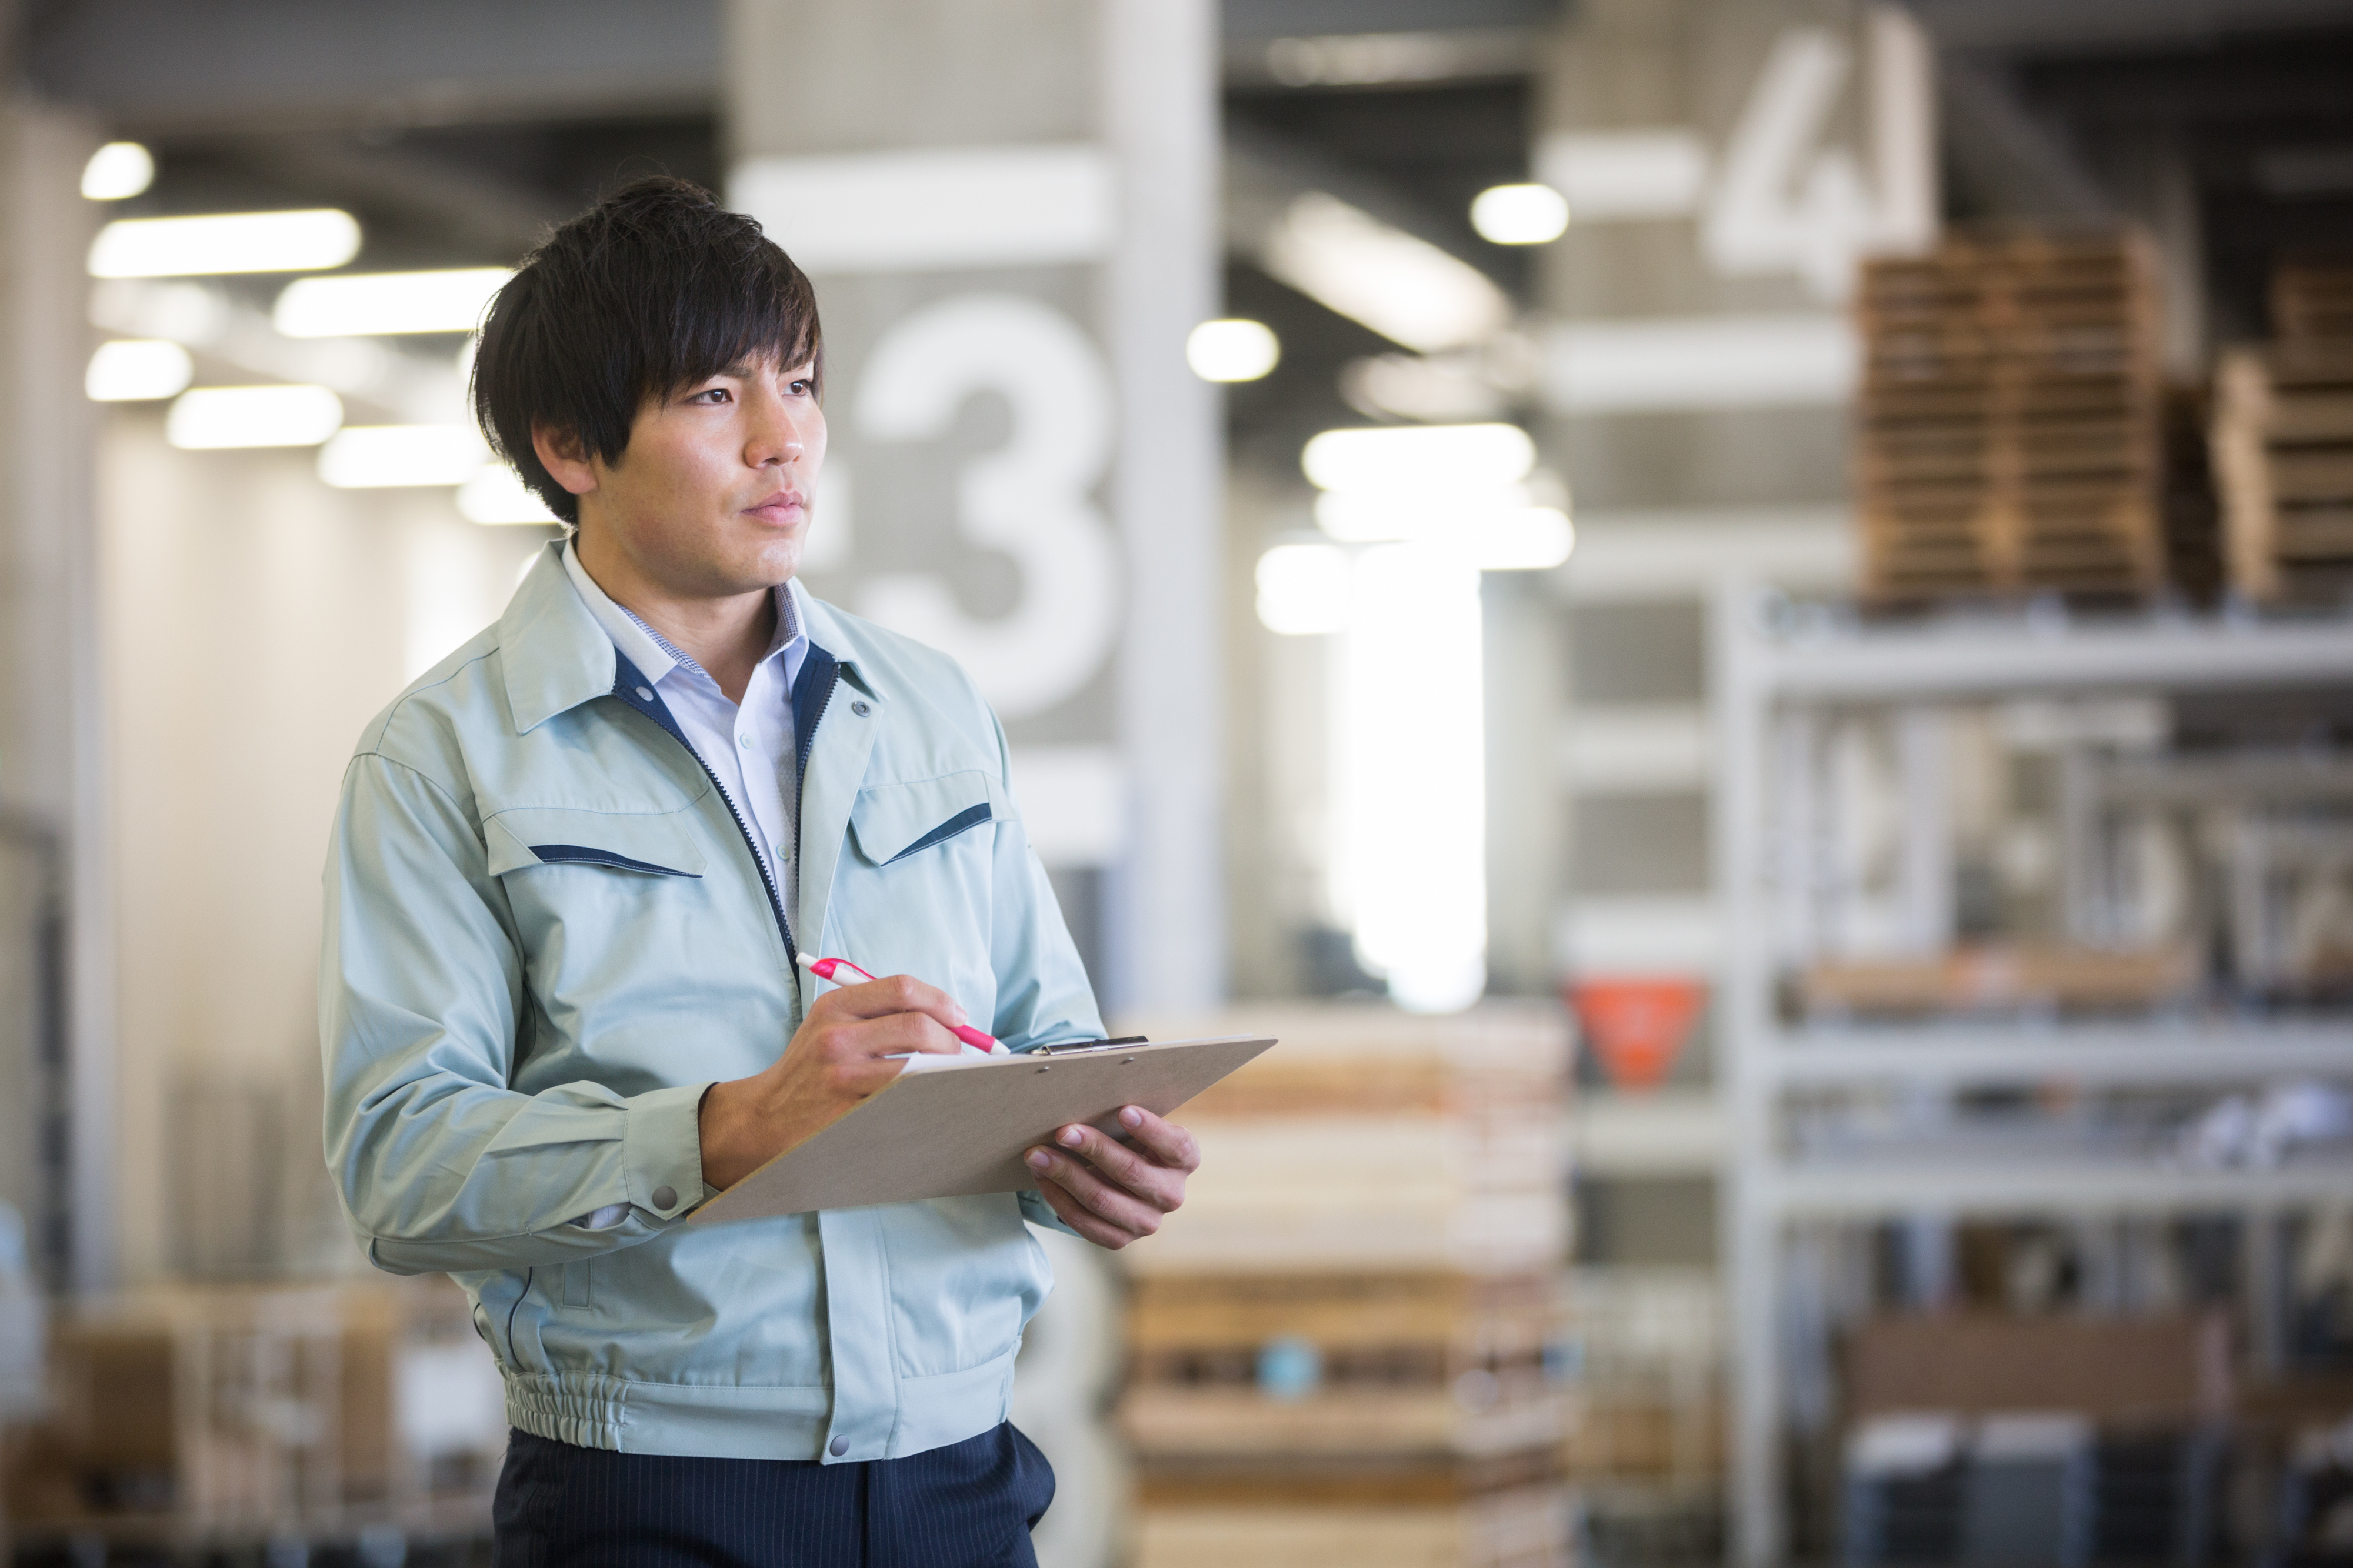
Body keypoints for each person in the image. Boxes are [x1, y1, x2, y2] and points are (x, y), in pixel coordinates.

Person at [318, 176, 1198, 1567]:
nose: (786, 441)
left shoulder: (929, 706)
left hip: (956, 1480)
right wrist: (723, 1127)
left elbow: (1040, 1036)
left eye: (798, 382)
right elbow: (399, 1164)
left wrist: (1082, 1152)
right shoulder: (444, 758)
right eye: (716, 398)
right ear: (570, 446)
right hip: (656, 1491)